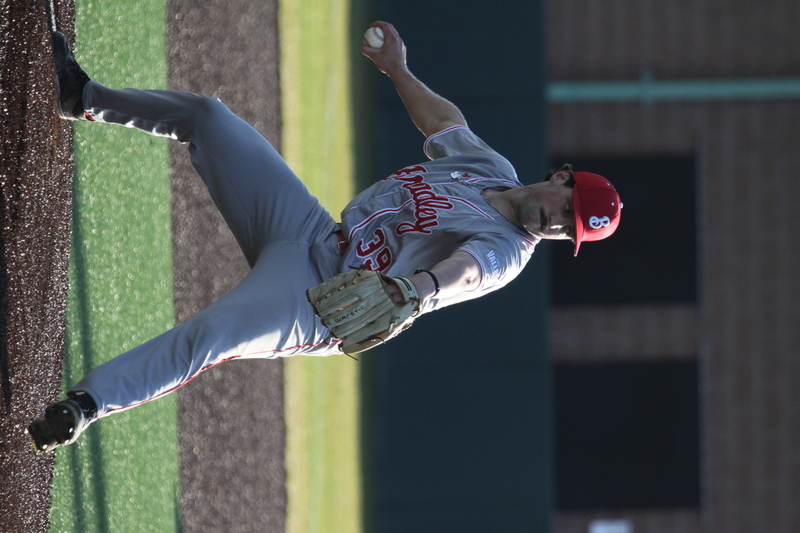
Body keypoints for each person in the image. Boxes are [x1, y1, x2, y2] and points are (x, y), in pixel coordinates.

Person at [28, 23, 622, 452]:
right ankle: (83, 97)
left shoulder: (507, 254)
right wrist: (397, 69)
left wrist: (416, 289)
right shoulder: (491, 170)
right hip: (311, 232)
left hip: (320, 301)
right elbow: (446, 125)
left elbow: (466, 271)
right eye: (566, 207)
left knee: (211, 335)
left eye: (568, 230)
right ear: (561, 178)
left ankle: (85, 405)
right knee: (209, 118)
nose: (556, 222)